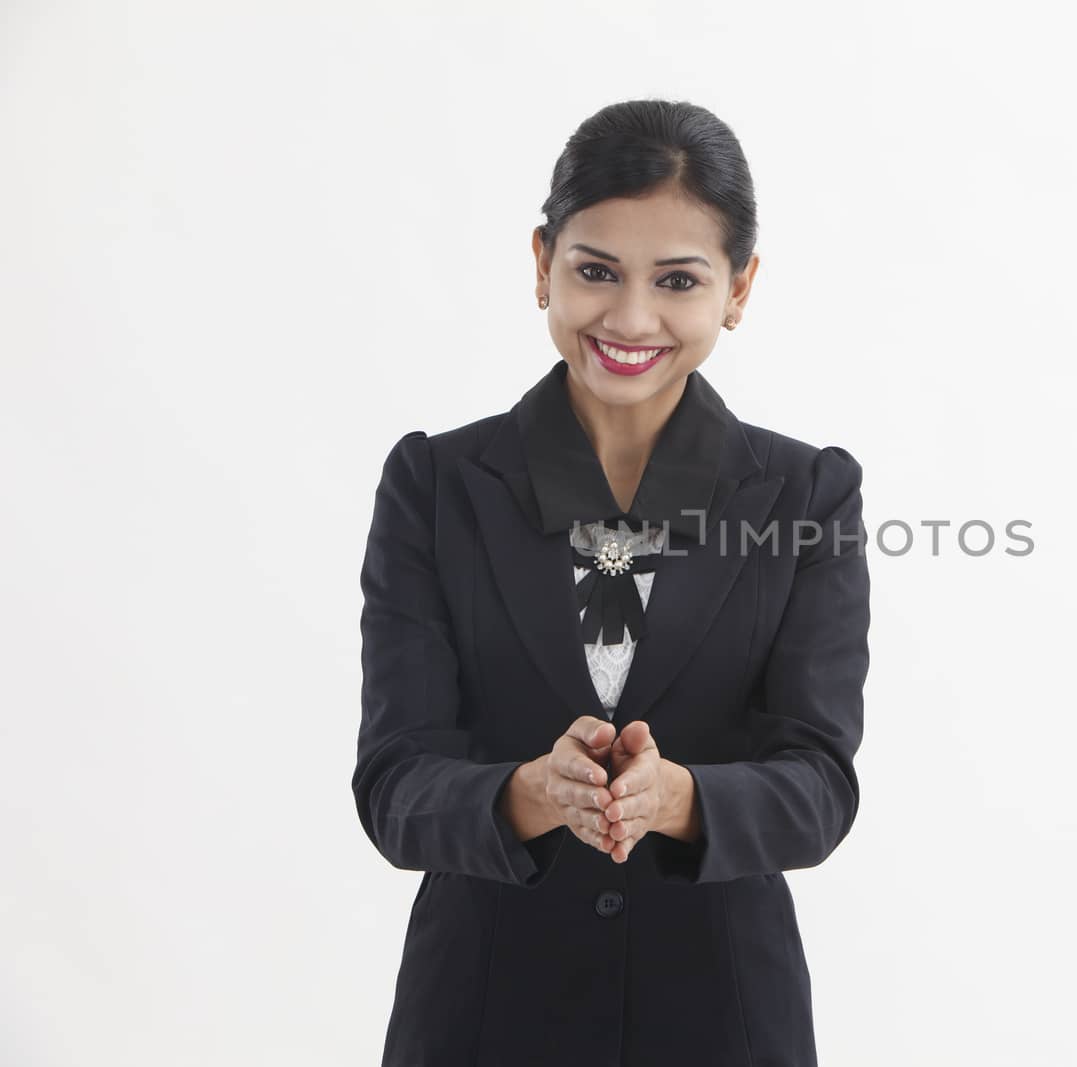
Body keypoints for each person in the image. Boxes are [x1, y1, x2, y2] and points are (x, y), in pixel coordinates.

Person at [352, 98, 871, 1066]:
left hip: (721, 1017)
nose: (630, 318)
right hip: (481, 1013)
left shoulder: (806, 491)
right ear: (541, 262)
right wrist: (527, 792)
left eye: (678, 279)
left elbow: (818, 785)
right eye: (596, 271)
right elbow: (394, 783)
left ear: (739, 287)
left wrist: (677, 798)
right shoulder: (435, 483)